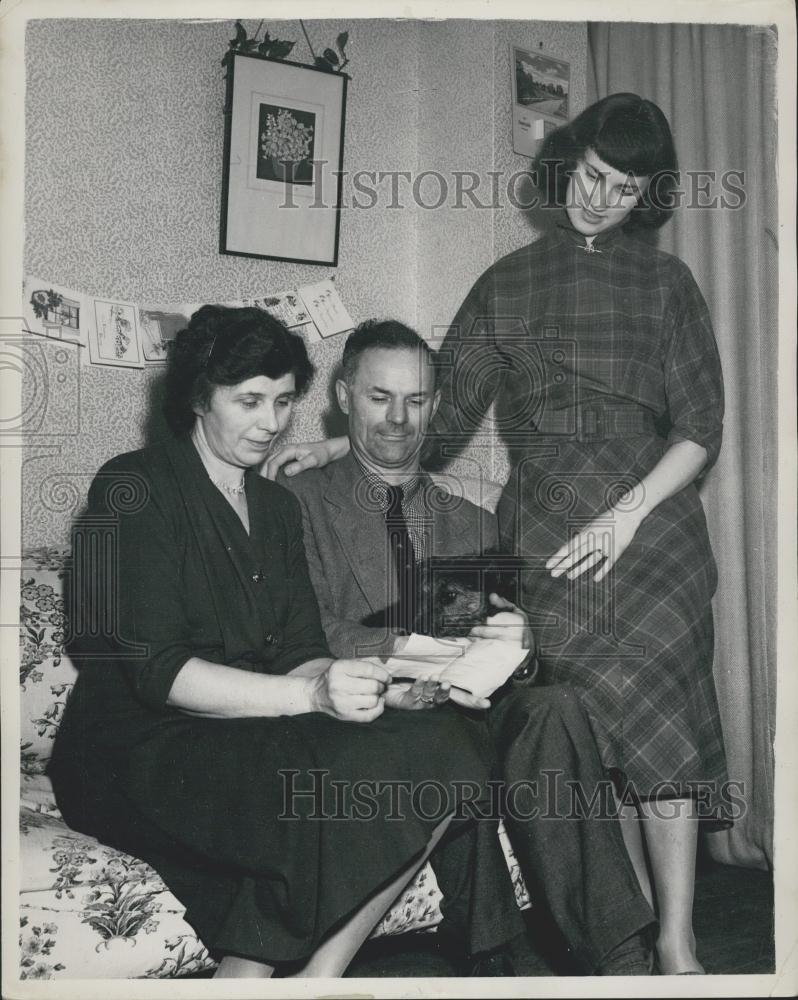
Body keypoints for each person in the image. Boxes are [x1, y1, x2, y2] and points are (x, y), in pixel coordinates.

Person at [267, 94, 733, 975]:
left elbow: (701, 425)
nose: (602, 198)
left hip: (654, 526)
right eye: (593, 175)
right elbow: (438, 418)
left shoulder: (670, 286)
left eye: (626, 189)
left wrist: (627, 514)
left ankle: (678, 943)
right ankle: (623, 936)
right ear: (567, 165)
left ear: (649, 198)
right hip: (550, 534)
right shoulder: (507, 283)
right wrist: (341, 436)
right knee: (583, 722)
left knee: (661, 710)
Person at [48, 305, 517, 979]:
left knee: (450, 744)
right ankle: (254, 973)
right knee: (313, 789)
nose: (270, 423)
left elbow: (300, 644)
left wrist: (357, 682)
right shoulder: (136, 486)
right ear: (197, 399)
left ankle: (318, 976)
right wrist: (310, 694)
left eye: (283, 401)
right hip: (142, 743)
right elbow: (160, 674)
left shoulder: (276, 507)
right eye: (249, 401)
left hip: (250, 724)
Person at [278, 319, 658, 976]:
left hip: (468, 708)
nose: (399, 420)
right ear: (343, 396)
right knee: (448, 747)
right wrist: (416, 643)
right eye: (379, 397)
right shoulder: (295, 505)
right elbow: (306, 632)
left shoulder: (471, 521)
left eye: (417, 401)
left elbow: (503, 653)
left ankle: (624, 965)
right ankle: (491, 956)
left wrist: (522, 644)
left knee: (555, 705)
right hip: (370, 713)